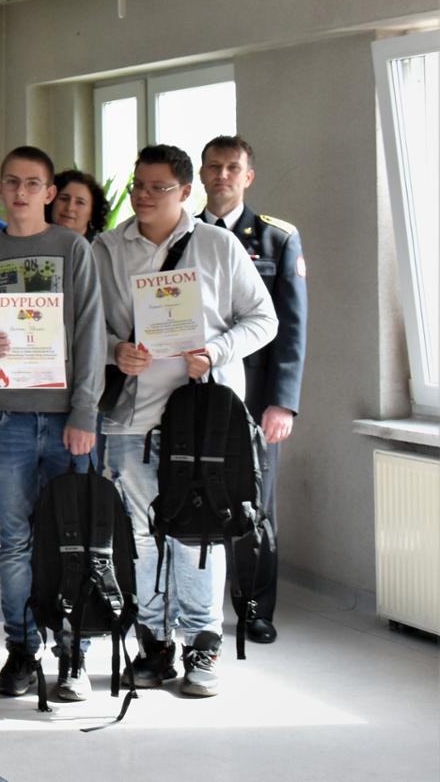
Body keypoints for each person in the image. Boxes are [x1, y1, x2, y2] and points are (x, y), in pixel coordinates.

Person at [96, 144, 276, 698]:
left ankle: (203, 642)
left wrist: (217, 352)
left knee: (201, 533)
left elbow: (263, 319)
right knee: (143, 537)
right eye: (138, 185)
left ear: (186, 192)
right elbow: (86, 327)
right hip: (132, 418)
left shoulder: (217, 245)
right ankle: (154, 643)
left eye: (159, 187)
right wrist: (114, 351)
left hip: (204, 421)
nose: (145, 196)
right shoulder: (108, 248)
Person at [0, 147, 107, 701]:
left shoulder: (73, 248)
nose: (21, 192)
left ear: (49, 193)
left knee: (73, 539)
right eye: (12, 183)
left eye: (32, 184)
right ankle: (22, 648)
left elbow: (91, 333)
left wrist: (85, 411)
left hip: (68, 419)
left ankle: (74, 652)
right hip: (6, 419)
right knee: (15, 540)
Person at [200, 134, 305, 646]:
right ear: (201, 175)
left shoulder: (276, 239)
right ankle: (193, 608)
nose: (222, 175)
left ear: (248, 176)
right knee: (192, 497)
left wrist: (283, 402)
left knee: (255, 506)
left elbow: (292, 326)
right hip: (196, 392)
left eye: (232, 167)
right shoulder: (185, 235)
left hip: (256, 396)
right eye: (213, 166)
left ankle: (254, 610)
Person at [46, 169, 111, 240]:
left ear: (93, 211)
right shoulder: (37, 239)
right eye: (64, 199)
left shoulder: (99, 245)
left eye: (80, 202)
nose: (69, 208)